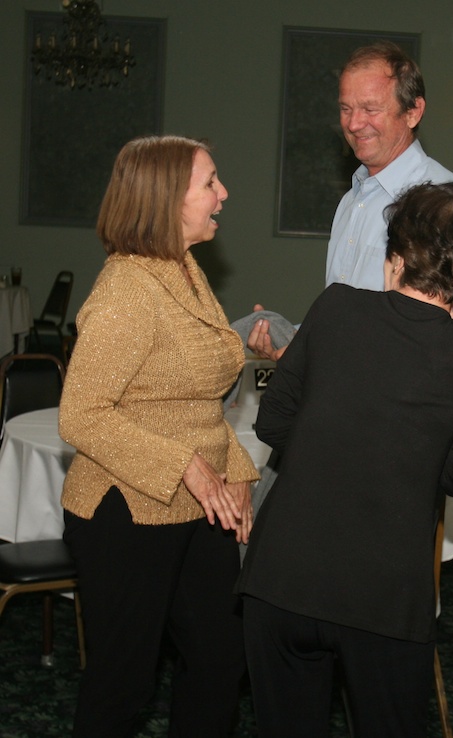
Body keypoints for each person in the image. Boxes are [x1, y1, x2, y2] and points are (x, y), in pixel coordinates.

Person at [236, 182, 453, 738]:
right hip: (386, 596)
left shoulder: (336, 307)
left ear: (396, 259)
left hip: (283, 578)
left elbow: (272, 423)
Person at [59, 135, 260, 737]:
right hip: (125, 511)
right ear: (167, 200)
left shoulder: (183, 269)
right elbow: (82, 414)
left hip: (196, 511)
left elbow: (189, 405)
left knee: (220, 663)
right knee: (122, 685)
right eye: (209, 183)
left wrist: (237, 470)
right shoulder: (126, 289)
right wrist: (189, 468)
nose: (223, 194)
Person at [247, 40, 453, 362]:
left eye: (371, 109)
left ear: (413, 112)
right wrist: (292, 339)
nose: (354, 124)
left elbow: (441, 334)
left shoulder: (449, 206)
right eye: (346, 108)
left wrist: (312, 355)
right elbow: (347, 319)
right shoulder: (353, 200)